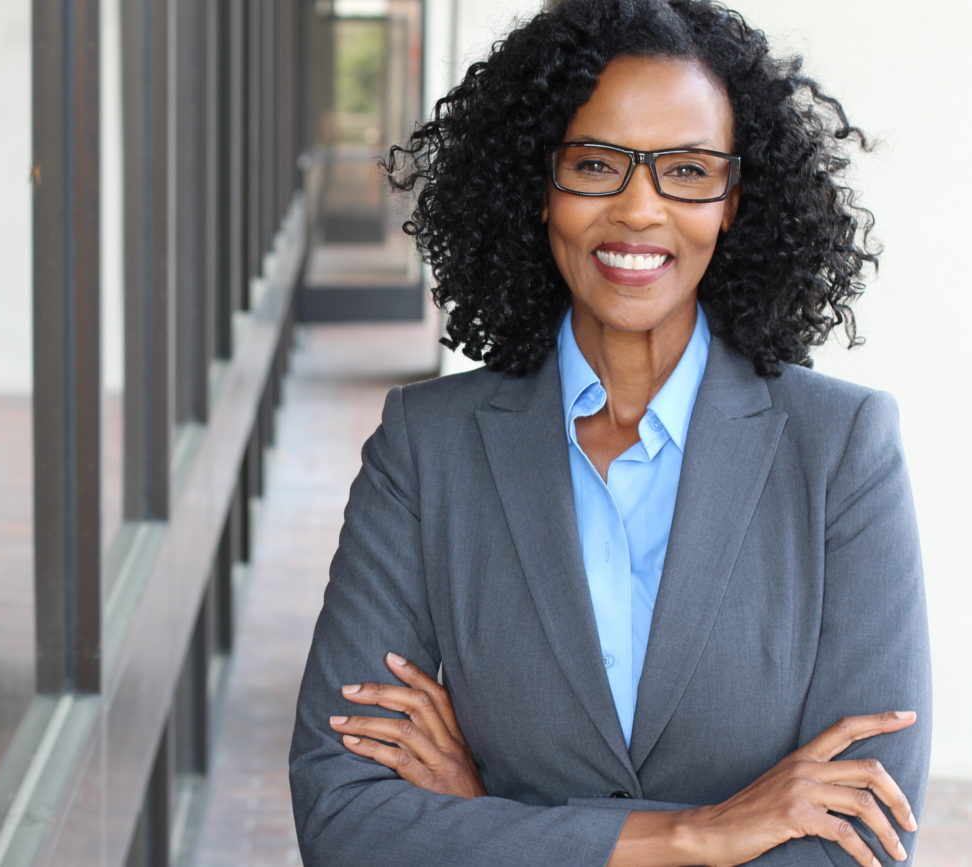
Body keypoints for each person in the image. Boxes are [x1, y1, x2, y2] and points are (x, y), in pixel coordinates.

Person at [287, 0, 931, 864]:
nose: (638, 211)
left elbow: (858, 838)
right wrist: (693, 834)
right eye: (595, 164)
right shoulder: (425, 448)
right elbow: (345, 819)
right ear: (540, 183)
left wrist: (494, 821)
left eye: (688, 171)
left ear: (733, 200)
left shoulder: (843, 449)